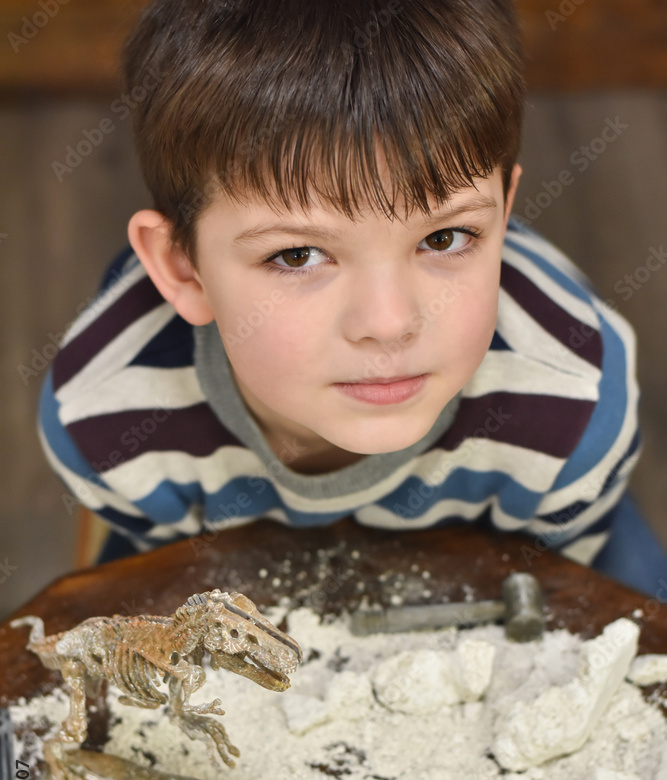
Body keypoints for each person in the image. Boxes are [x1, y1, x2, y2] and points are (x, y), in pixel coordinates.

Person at [39, 0, 666, 596]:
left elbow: (554, 608)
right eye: (297, 255)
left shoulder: (574, 407)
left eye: (445, 237)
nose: (389, 324)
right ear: (183, 269)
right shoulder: (107, 420)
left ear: (503, 214)